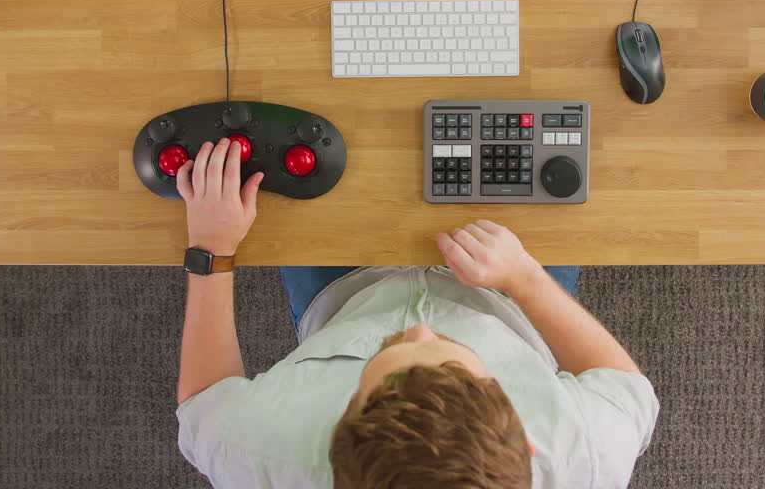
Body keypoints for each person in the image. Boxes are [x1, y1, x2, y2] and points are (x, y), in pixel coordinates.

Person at [175, 136, 659, 488]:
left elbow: (204, 397)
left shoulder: (259, 455)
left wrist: (213, 250)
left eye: (398, 355)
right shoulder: (587, 454)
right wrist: (525, 279)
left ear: (338, 428)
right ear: (528, 445)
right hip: (510, 297)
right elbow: (620, 381)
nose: (422, 330)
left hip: (346, 294)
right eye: (453, 359)